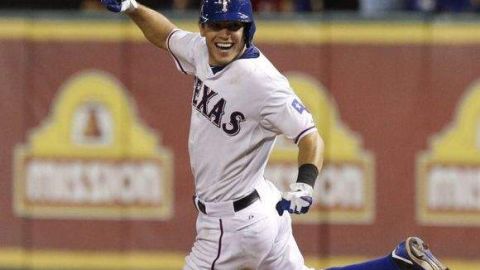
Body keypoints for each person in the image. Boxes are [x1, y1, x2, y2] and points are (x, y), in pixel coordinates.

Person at [99, 0, 450, 269]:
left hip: (232, 224)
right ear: (204, 29)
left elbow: (310, 136)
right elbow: (166, 35)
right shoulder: (201, 51)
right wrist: (132, 6)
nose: (225, 34)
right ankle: (398, 262)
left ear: (247, 29)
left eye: (234, 26)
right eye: (217, 25)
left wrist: (306, 183)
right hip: (261, 204)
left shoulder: (262, 81)